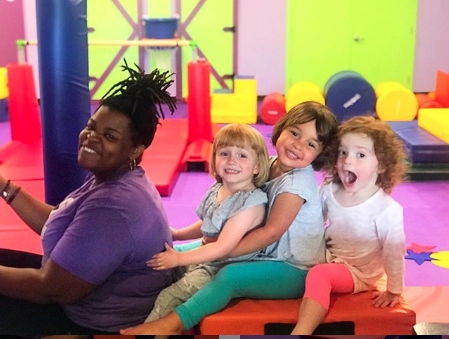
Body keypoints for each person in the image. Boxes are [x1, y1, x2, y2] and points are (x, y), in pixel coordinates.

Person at [121, 100, 339, 335]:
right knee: (183, 252)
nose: (297, 145)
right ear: (282, 128)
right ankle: (143, 297)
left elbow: (270, 232)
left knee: (229, 276)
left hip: (294, 269)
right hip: (263, 252)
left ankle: (175, 322)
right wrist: (182, 236)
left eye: (310, 144)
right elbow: (228, 216)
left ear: (319, 153)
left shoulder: (295, 184)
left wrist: (224, 251)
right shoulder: (269, 165)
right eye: (294, 133)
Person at [0, 61, 177, 336]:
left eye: (109, 136)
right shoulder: (111, 177)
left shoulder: (115, 206)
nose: (91, 138)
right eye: (91, 127)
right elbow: (58, 221)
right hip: (73, 300)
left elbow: (51, 289)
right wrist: (4, 186)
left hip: (88, 324)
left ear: (134, 150)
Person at [290, 116, 409, 334]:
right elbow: (311, 221)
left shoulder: (386, 210)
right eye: (343, 152)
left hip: (358, 271)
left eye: (360, 155)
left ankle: (301, 331)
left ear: (381, 165)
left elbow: (394, 252)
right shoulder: (330, 190)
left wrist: (393, 290)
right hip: (329, 255)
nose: (347, 161)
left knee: (319, 275)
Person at [145, 123, 270, 321]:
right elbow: (208, 224)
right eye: (224, 153)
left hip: (223, 266)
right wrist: (178, 234)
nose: (231, 161)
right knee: (157, 274)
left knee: (168, 296)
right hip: (207, 255)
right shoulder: (218, 188)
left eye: (242, 155)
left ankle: (149, 330)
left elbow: (222, 247)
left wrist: (178, 259)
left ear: (257, 167)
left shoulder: (251, 202)